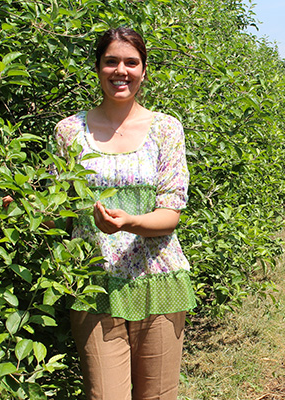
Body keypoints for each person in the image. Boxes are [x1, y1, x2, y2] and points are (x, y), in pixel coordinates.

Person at [53, 27, 196, 400]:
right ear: (98, 68)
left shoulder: (166, 129)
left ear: (144, 70)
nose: (121, 70)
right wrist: (21, 208)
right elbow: (57, 213)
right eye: (111, 61)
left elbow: (171, 213)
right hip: (95, 284)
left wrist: (129, 223)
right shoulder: (69, 131)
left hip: (158, 280)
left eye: (131, 62)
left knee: (159, 395)